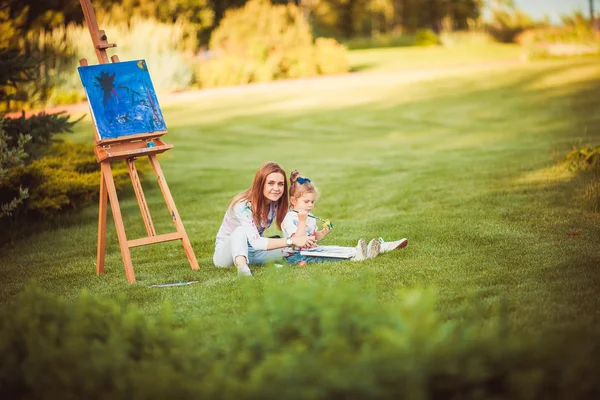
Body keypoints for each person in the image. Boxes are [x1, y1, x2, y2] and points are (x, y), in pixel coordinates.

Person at [282, 170, 408, 265]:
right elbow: (297, 240)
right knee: (326, 256)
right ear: (293, 200)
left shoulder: (311, 217)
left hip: (311, 250)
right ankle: (357, 256)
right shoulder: (290, 218)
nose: (310, 205)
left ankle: (375, 249)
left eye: (312, 202)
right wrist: (302, 221)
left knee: (334, 249)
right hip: (296, 256)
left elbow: (313, 237)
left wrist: (323, 232)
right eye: (306, 201)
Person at [213, 162, 315, 276]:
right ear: (261, 184)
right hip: (227, 255)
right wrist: (293, 241)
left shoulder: (275, 204)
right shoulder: (243, 206)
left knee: (292, 250)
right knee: (240, 230)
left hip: (253, 251)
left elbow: (293, 232)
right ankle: (243, 269)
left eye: (280, 184)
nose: (276, 188)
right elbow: (257, 242)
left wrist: (304, 238)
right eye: (271, 183)